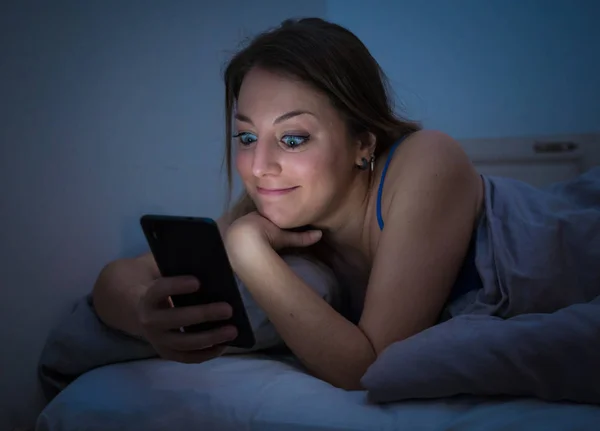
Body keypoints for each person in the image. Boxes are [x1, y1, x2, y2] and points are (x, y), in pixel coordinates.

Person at [92, 17, 485, 391]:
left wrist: (250, 253)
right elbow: (115, 278)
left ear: (362, 144)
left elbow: (371, 370)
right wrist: (144, 314)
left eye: (292, 139)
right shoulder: (274, 207)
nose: (260, 167)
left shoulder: (428, 160)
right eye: (247, 138)